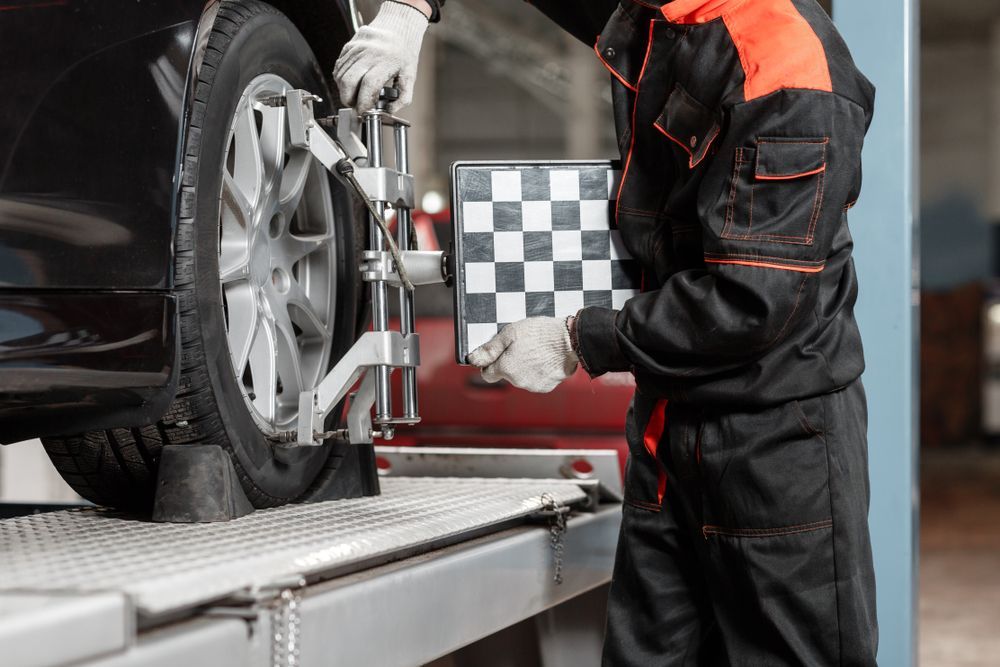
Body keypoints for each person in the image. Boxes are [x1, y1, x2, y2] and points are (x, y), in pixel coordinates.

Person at [335, 0, 878, 663]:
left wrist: (578, 339)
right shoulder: (663, 14)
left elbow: (751, 302)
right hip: (668, 434)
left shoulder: (786, 68)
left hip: (778, 444)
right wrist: (410, 13)